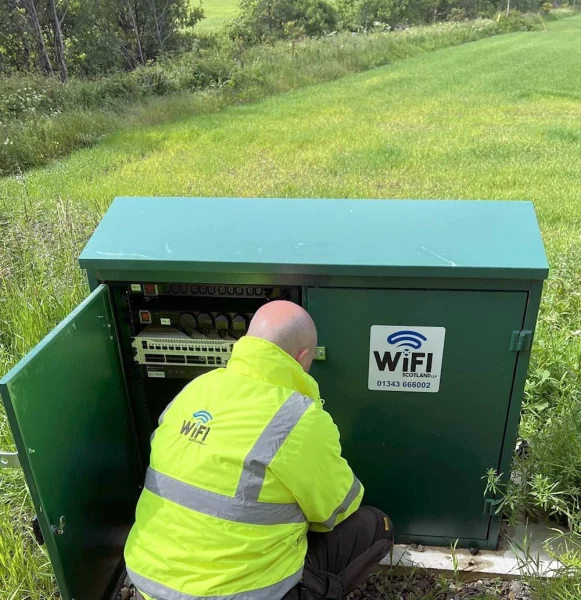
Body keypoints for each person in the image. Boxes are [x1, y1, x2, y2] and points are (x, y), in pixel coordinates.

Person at [125, 300, 394, 600]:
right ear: (303, 358)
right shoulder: (299, 418)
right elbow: (338, 509)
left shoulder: (195, 389)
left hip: (150, 584)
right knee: (374, 525)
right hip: (241, 595)